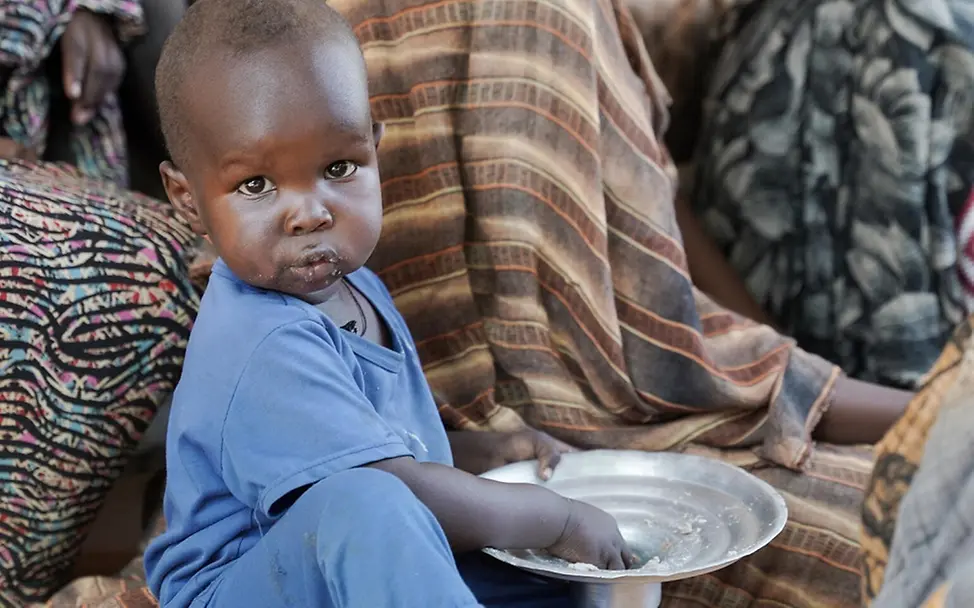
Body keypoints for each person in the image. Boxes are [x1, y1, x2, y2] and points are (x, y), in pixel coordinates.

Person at [143, 1, 635, 606]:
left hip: (359, 554)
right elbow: (381, 488)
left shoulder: (353, 285)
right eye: (255, 185)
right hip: (244, 585)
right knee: (372, 502)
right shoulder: (260, 340)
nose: (310, 213)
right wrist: (553, 517)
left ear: (376, 150)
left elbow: (382, 445)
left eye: (338, 166)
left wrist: (481, 453)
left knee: (558, 580)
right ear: (187, 199)